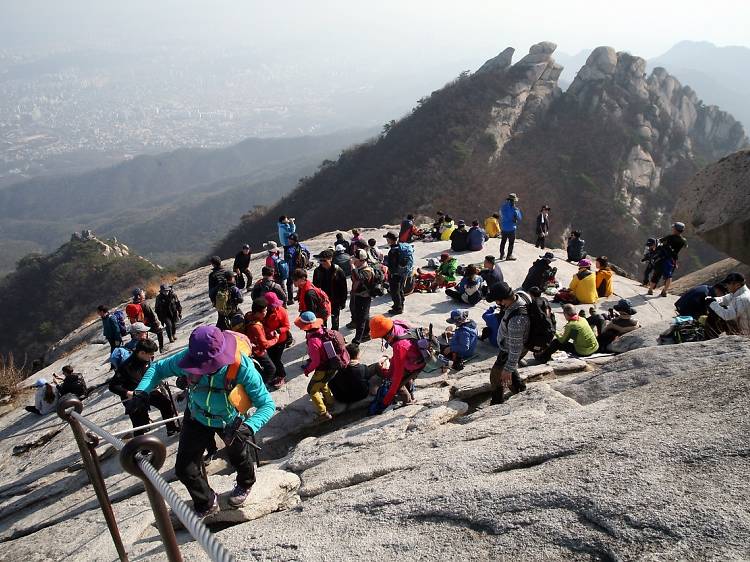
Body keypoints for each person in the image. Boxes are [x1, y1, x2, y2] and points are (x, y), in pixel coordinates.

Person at [133, 326, 275, 516]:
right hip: (197, 415)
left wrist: (249, 426)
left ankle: (245, 484)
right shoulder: (189, 358)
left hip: (230, 420)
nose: (205, 369)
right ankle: (207, 501)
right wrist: (142, 390)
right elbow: (158, 368)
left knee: (239, 458)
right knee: (184, 468)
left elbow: (267, 404)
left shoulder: (241, 367)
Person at [109, 338, 179, 436]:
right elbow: (113, 386)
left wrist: (159, 381)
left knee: (166, 404)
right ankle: (142, 448)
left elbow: (152, 372)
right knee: (139, 423)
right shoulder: (125, 367)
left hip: (148, 390)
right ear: (142, 353)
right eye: (150, 354)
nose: (152, 356)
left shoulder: (147, 360)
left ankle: (171, 429)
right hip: (133, 396)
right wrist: (127, 393)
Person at [368, 315, 427, 412]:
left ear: (385, 335)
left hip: (414, 363)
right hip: (412, 355)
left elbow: (397, 378)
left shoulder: (399, 346)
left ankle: (408, 401)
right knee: (405, 377)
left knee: (398, 384)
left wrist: (386, 400)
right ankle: (411, 393)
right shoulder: (396, 323)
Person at [487, 282, 529, 405]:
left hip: (510, 349)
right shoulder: (520, 296)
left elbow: (516, 348)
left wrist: (509, 369)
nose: (497, 304)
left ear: (503, 300)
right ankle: (520, 390)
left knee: (497, 376)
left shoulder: (517, 320)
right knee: (505, 371)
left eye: (497, 301)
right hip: (513, 347)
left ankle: (497, 402)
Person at [297, 311, 342, 422]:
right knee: (322, 383)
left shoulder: (313, 341)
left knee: (312, 390)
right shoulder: (323, 330)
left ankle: (323, 413)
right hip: (332, 365)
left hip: (323, 368)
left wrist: (307, 370)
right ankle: (330, 402)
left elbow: (316, 362)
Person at [243, 298, 279, 384]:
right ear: (258, 313)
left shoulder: (248, 315)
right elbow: (264, 344)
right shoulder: (256, 327)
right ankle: (263, 384)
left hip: (249, 346)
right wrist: (275, 339)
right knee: (271, 369)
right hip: (257, 350)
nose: (266, 312)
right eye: (265, 310)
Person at [648, 222, 688, 297]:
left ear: (676, 230)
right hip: (672, 260)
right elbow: (686, 246)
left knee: (656, 274)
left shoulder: (670, 237)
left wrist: (652, 247)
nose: (672, 229)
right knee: (668, 276)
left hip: (662, 258)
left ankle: (650, 290)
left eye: (673, 228)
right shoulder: (683, 241)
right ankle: (664, 291)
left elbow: (658, 241)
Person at [313, 249, 348, 330]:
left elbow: (343, 288)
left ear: (331, 259)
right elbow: (315, 287)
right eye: (320, 260)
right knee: (322, 322)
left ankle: (335, 337)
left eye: (324, 260)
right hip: (322, 301)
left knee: (335, 321)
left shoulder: (338, 270)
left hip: (335, 300)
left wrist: (343, 301)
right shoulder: (317, 271)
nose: (322, 263)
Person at [261, 292, 290, 388]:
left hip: (280, 340)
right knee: (270, 358)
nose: (275, 307)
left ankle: (281, 375)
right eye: (272, 306)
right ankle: (273, 374)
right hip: (267, 340)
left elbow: (287, 326)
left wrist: (277, 331)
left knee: (276, 359)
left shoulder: (282, 311)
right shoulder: (263, 312)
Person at [707, 272, 750, 336]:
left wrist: (713, 304)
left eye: (728, 284)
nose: (726, 286)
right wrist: (713, 299)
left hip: (747, 334)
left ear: (737, 285)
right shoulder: (738, 293)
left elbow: (727, 316)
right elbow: (725, 298)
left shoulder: (741, 299)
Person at [384, 231, 414, 315]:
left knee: (395, 291)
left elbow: (392, 265)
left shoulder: (393, 251)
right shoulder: (401, 248)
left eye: (387, 238)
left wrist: (390, 271)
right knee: (400, 290)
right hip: (403, 273)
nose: (387, 240)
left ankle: (398, 308)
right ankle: (400, 304)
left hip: (395, 275)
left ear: (390, 240)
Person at [350, 249, 375, 344]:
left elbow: (358, 278)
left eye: (355, 259)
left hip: (364, 297)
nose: (353, 260)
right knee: (364, 315)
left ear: (361, 260)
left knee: (361, 318)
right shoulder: (360, 268)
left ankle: (357, 340)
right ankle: (366, 334)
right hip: (358, 295)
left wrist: (352, 266)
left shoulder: (367, 271)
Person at [132, 288, 165, 353]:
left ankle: (144, 352)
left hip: (139, 325)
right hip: (148, 324)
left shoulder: (134, 304)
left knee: (143, 339)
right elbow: (152, 315)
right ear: (139, 296)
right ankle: (161, 348)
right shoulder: (144, 304)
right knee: (159, 332)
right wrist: (157, 323)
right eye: (142, 293)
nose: (144, 293)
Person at [284, 233, 311, 304]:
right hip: (302, 268)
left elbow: (288, 259)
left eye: (289, 239)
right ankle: (300, 295)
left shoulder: (290, 249)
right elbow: (308, 254)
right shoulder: (303, 246)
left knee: (289, 283)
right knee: (301, 282)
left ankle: (290, 299)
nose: (288, 240)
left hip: (293, 269)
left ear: (292, 240)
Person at [499, 193, 522, 261]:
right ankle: (509, 256)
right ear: (514, 201)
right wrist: (517, 212)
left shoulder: (503, 207)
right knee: (511, 243)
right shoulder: (515, 209)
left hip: (504, 227)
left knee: (503, 242)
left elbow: (501, 215)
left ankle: (502, 254)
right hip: (512, 228)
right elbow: (519, 218)